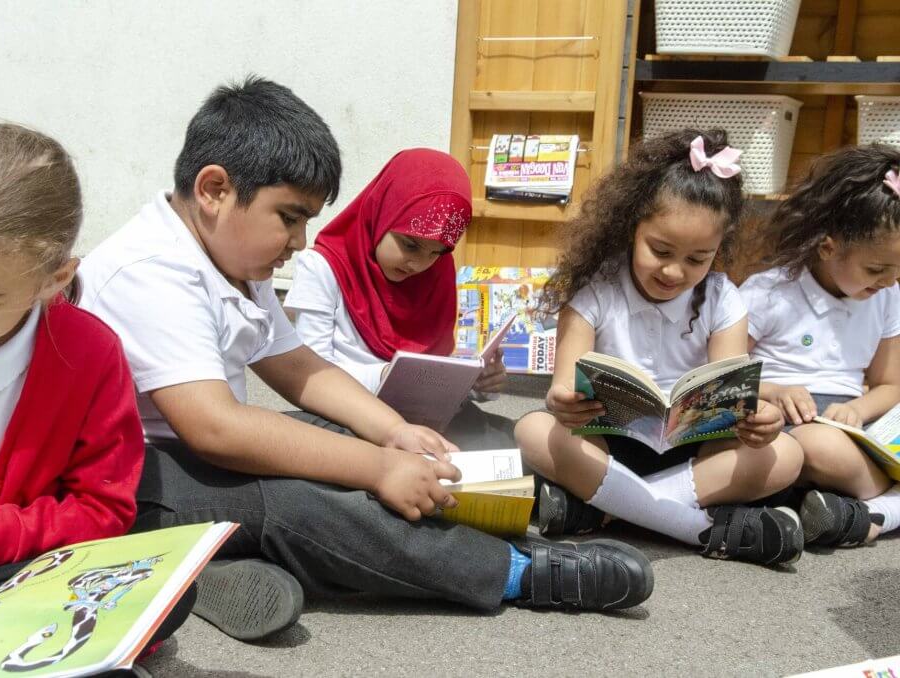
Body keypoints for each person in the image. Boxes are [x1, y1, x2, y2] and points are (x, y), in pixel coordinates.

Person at [79, 77, 655, 641]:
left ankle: (213, 567)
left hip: (192, 461)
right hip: (132, 488)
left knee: (350, 436)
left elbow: (301, 371)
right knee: (284, 496)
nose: (300, 241)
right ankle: (514, 573)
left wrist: (394, 433)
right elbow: (216, 429)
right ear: (214, 190)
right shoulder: (152, 270)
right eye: (290, 217)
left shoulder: (228, 258)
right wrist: (378, 469)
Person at [0, 124, 188, 661]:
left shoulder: (89, 354)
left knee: (166, 595)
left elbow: (101, 506)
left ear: (54, 278)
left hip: (2, 564)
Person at [515, 129, 805, 566]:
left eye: (697, 259)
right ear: (632, 228)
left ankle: (615, 510)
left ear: (718, 250)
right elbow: (562, 390)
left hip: (694, 458)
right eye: (660, 249)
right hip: (608, 448)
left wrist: (757, 420)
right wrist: (563, 402)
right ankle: (698, 529)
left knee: (787, 453)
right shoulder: (595, 292)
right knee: (532, 431)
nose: (673, 271)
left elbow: (729, 390)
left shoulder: (724, 298)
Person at [284, 148, 512, 450]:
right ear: (382, 212)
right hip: (345, 418)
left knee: (510, 449)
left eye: (437, 253)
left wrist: (476, 385)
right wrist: (385, 375)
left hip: (423, 422)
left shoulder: (435, 277)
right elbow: (310, 372)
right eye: (410, 245)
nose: (419, 264)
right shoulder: (323, 268)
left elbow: (433, 374)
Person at [741, 144, 900, 548]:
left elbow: (889, 384)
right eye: (877, 269)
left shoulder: (887, 297)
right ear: (827, 247)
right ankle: (879, 510)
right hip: (775, 420)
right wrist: (773, 390)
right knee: (813, 445)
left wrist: (857, 408)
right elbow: (722, 371)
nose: (889, 280)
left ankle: (837, 511)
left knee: (823, 444)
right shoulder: (770, 291)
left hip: (851, 426)